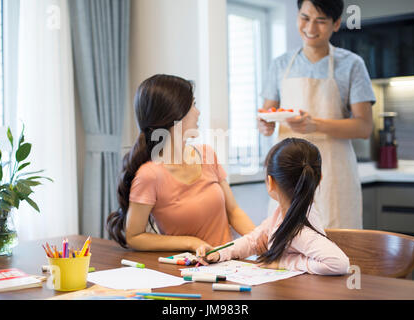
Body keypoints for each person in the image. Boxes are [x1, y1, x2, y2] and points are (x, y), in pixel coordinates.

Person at [258, 0, 376, 229]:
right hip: (289, 173)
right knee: (287, 246)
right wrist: (265, 125)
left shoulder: (352, 64)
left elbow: (364, 127)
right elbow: (267, 115)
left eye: (321, 21)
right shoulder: (280, 64)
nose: (311, 28)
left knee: (337, 247)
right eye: (305, 18)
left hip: (334, 173)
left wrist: (316, 125)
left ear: (336, 23)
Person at [107, 74, 256, 251]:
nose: (198, 112)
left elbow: (234, 212)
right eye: (193, 105)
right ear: (174, 114)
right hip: (187, 271)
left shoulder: (207, 154)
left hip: (229, 264)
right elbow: (134, 236)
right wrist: (191, 242)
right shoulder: (150, 175)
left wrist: (260, 239)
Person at [196, 138, 350, 275]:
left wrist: (282, 262)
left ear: (270, 182)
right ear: (319, 179)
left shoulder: (298, 230)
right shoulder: (282, 216)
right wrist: (219, 253)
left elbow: (339, 263)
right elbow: (252, 241)